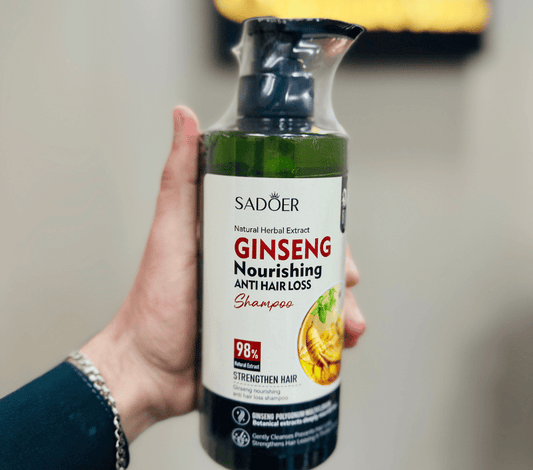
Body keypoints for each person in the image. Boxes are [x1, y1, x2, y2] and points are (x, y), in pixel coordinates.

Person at [0, 107, 366, 470]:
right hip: (231, 403)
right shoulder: (230, 144)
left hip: (310, 410)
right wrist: (139, 360)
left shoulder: (326, 145)